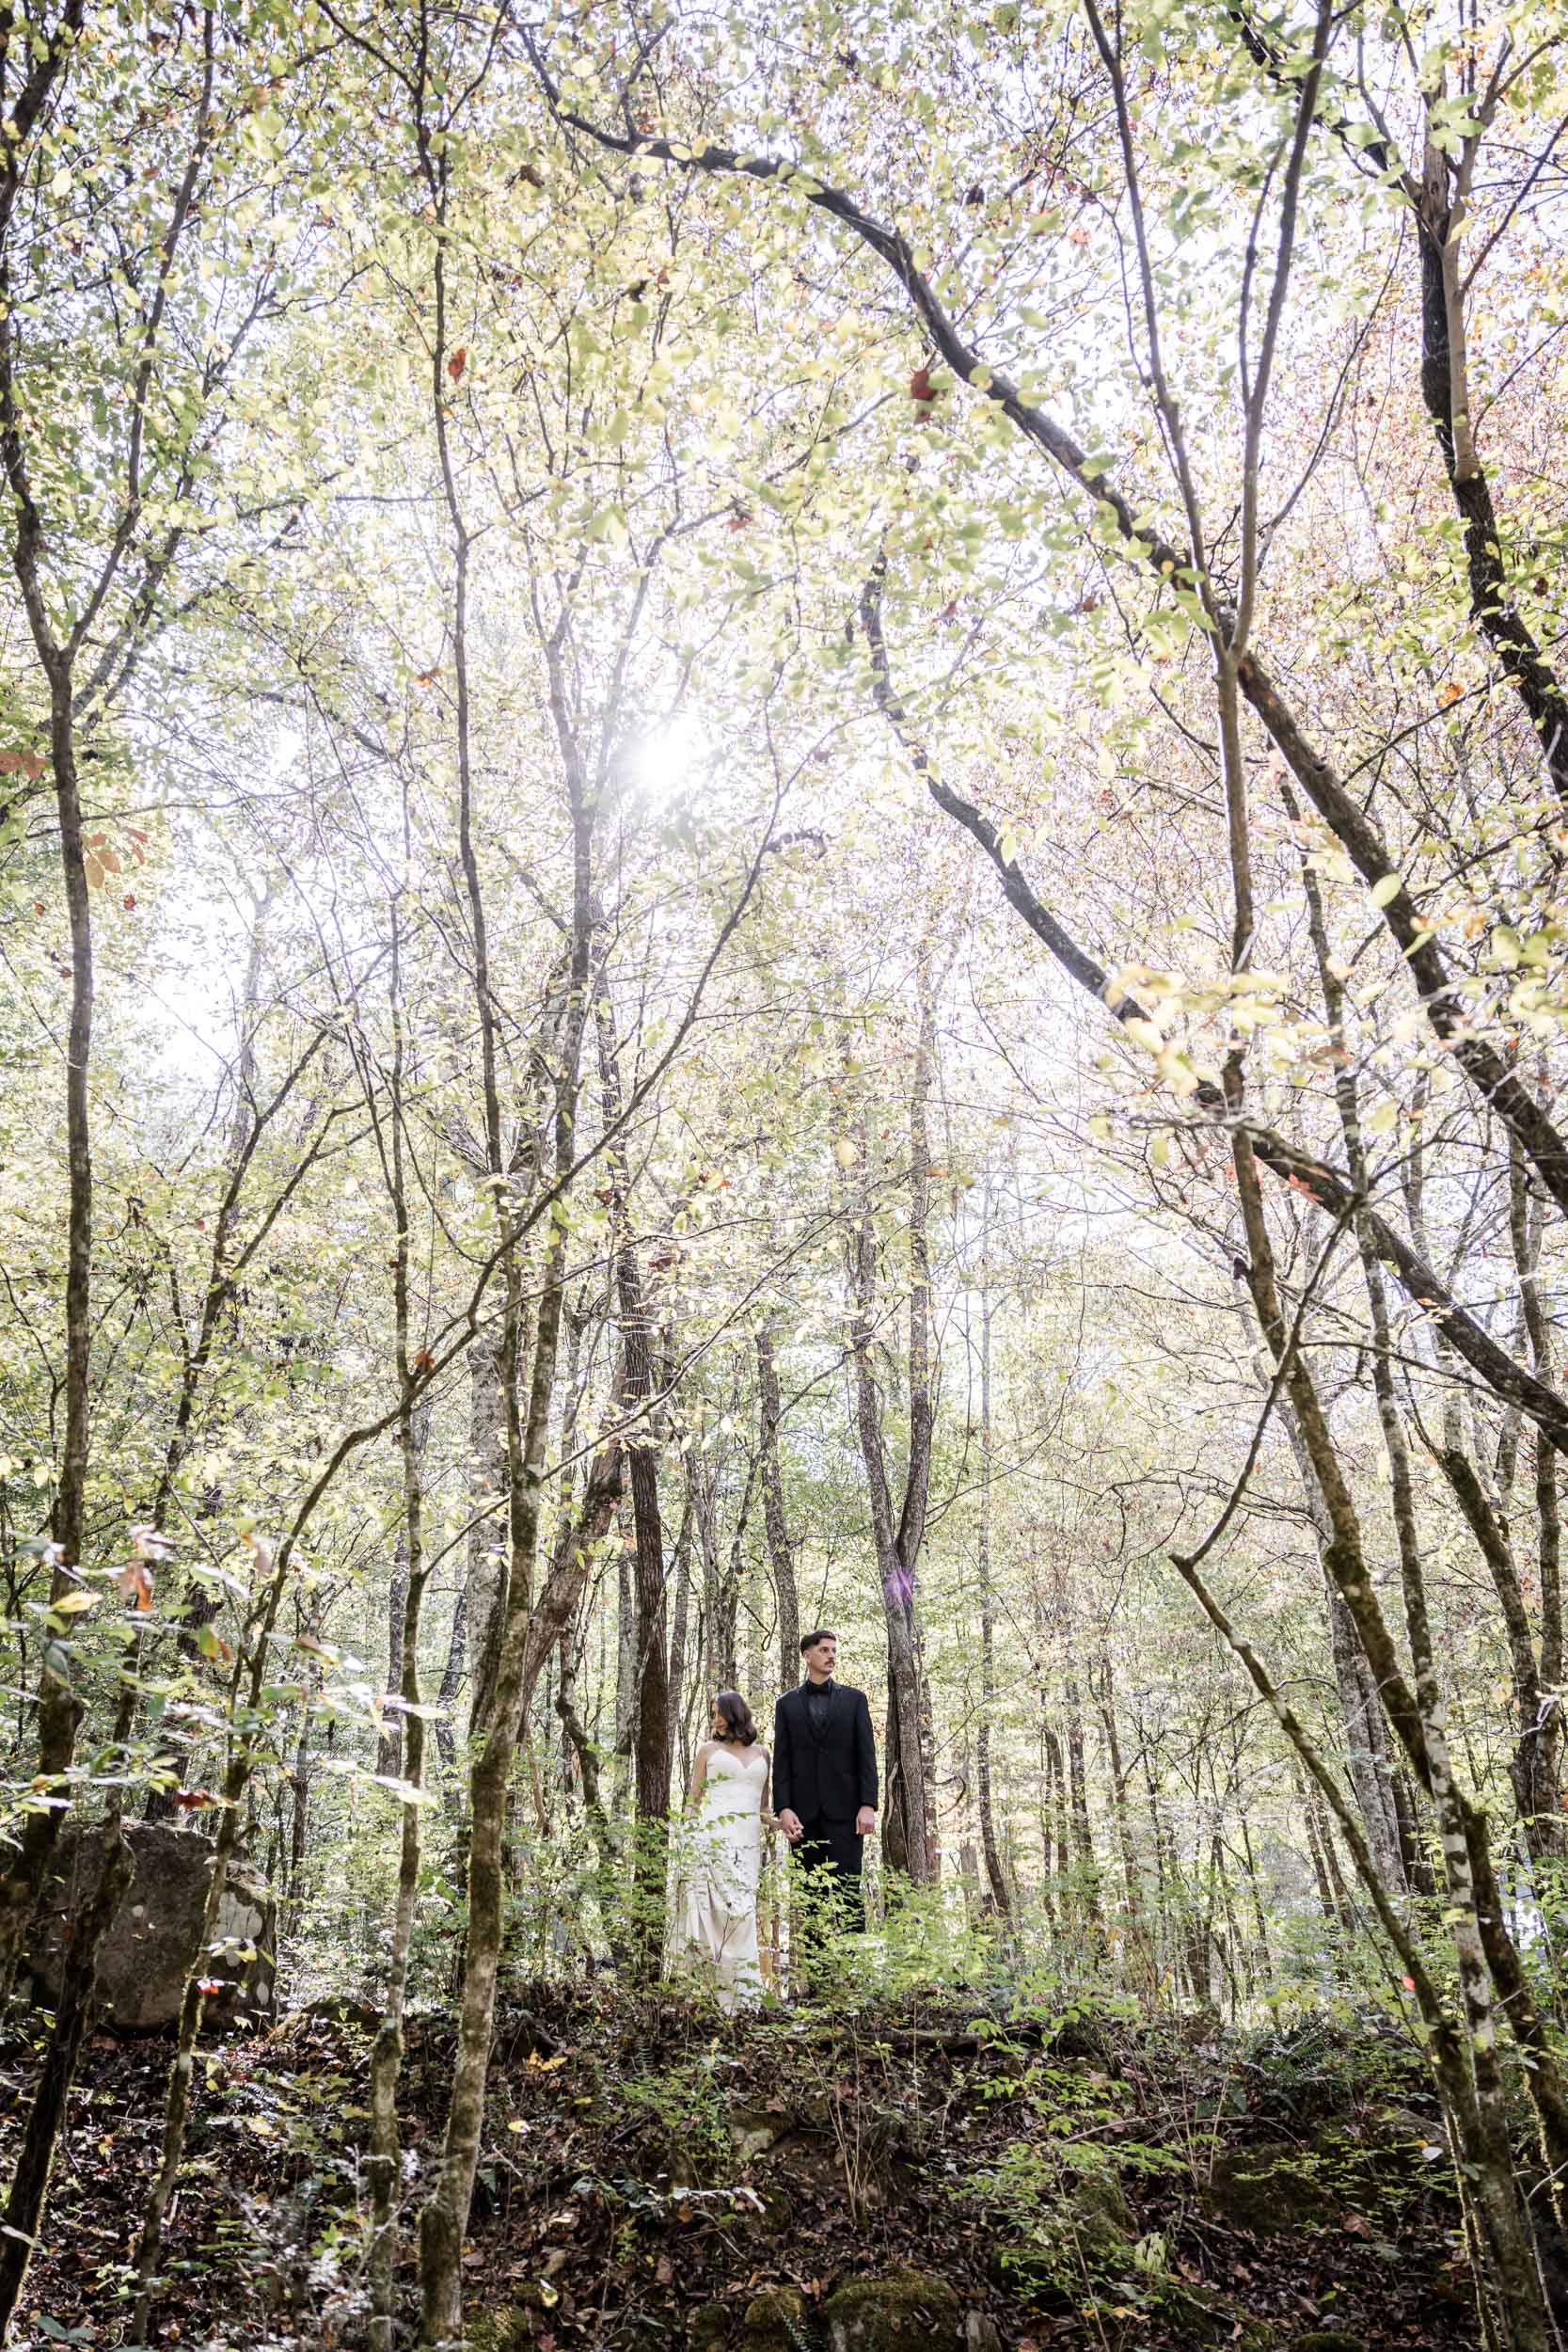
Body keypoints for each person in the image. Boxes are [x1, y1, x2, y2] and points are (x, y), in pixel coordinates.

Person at [772, 1629, 878, 1951]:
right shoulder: (786, 1704)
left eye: (834, 1650)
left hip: (847, 1816)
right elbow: (782, 1760)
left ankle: (855, 1973)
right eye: (824, 1650)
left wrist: (867, 1804)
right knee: (811, 1898)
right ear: (807, 1655)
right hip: (804, 1818)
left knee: (848, 1893)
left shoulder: (854, 1700)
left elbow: (866, 1755)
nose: (831, 1656)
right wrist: (784, 1808)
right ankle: (818, 1985)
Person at [673, 1691, 771, 2012]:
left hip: (747, 1842)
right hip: (710, 1837)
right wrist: (687, 1840)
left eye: (719, 1713)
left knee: (742, 1911)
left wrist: (784, 1825)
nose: (715, 1719)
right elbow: (693, 1801)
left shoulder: (763, 1754)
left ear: (736, 1714)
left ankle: (743, 1998)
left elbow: (763, 1808)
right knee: (714, 1912)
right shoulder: (707, 1750)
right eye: (712, 1713)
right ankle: (709, 1994)